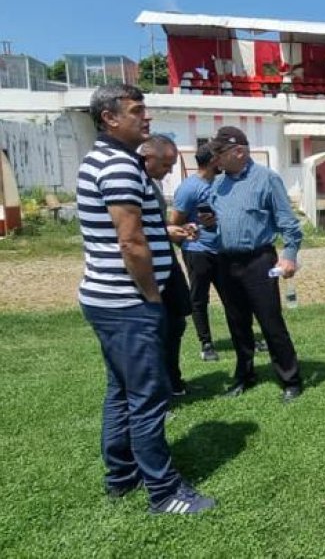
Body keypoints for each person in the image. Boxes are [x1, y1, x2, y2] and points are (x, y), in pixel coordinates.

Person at [76, 83, 214, 514]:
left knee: (121, 389)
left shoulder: (103, 160)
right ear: (109, 118)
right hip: (127, 302)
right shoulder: (118, 167)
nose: (146, 118)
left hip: (106, 299)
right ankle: (164, 491)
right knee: (147, 396)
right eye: (137, 111)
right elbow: (131, 242)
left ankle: (121, 474)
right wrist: (151, 295)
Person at [207, 126, 304, 403]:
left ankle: (290, 378)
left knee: (270, 322)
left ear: (239, 151)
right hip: (226, 261)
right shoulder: (218, 184)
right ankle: (244, 375)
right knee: (237, 323)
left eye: (219, 152)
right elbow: (217, 224)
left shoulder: (267, 179)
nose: (215, 158)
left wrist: (289, 256)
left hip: (258, 261)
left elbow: (289, 225)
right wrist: (202, 228)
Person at [139, 134, 194, 397]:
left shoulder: (153, 183)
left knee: (176, 322)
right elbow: (131, 234)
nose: (170, 171)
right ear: (147, 158)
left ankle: (172, 381)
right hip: (149, 269)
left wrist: (171, 230)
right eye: (165, 165)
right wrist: (166, 233)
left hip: (166, 262)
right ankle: (158, 391)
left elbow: (152, 226)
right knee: (156, 331)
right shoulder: (132, 182)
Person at [170, 143, 224, 362]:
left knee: (233, 296)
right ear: (212, 160)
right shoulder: (189, 188)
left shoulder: (221, 184)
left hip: (222, 250)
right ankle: (206, 343)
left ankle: (245, 336)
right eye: (220, 157)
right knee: (200, 298)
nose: (222, 161)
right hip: (198, 252)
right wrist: (188, 240)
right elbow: (174, 225)